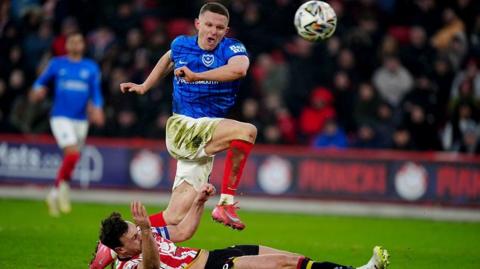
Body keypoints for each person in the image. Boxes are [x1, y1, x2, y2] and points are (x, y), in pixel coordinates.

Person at [119, 2, 256, 230]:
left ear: (226, 31)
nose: (213, 31)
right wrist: (144, 86)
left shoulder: (233, 49)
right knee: (247, 131)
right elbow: (168, 59)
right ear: (197, 24)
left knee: (175, 217)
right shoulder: (182, 44)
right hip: (184, 127)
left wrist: (197, 76)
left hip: (204, 133)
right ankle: (226, 203)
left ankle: (115, 241)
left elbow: (239, 70)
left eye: (220, 28)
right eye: (209, 25)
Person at [97, 183, 390, 269]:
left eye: (137, 230)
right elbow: (151, 267)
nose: (140, 233)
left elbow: (183, 232)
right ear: (121, 248)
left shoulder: (144, 237)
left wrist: (199, 201)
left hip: (214, 256)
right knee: (284, 264)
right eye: (134, 235)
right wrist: (146, 231)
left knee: (295, 260)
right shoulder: (128, 266)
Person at [30, 32, 105, 217]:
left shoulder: (91, 67)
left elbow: (95, 92)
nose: (75, 44)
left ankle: (62, 189)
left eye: (79, 41)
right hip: (60, 116)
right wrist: (37, 90)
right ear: (67, 45)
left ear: (83, 45)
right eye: (72, 41)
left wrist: (98, 108)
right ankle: (56, 192)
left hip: (81, 119)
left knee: (72, 158)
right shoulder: (57, 63)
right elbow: (40, 82)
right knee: (71, 154)